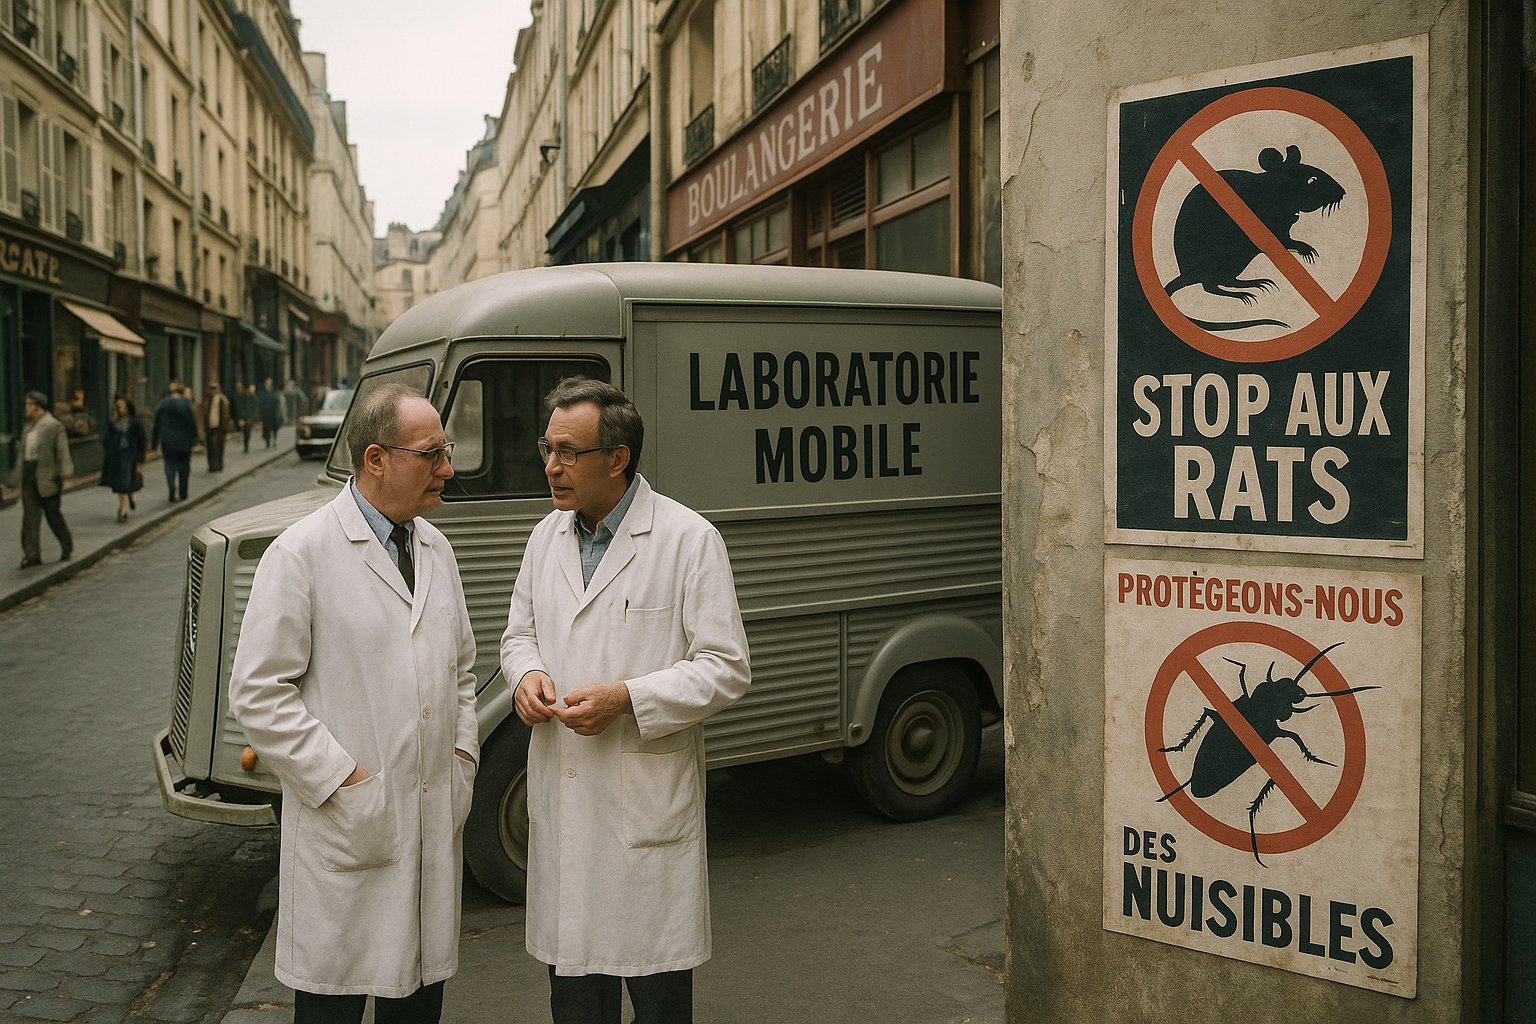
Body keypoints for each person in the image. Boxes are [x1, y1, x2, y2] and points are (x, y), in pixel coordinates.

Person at [500, 378, 751, 1024]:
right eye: (546, 448)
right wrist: (525, 676)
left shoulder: (688, 540)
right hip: (567, 811)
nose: (550, 466)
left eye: (567, 451)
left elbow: (727, 669)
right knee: (577, 1006)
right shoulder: (543, 539)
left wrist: (628, 697)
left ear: (617, 459)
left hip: (644, 816)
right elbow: (518, 634)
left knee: (660, 1004)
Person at [229, 383, 477, 1024]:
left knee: (419, 1004)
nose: (447, 469)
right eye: (432, 455)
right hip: (348, 826)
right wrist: (345, 780)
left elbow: (463, 671)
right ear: (376, 459)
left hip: (426, 825)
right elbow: (258, 693)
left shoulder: (435, 549)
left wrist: (460, 759)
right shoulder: (301, 554)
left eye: (445, 452)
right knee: (332, 1005)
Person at [17, 390, 74, 567]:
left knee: (53, 516)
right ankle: (32, 555)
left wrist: (66, 474)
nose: (26, 408)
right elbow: (23, 453)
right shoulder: (28, 427)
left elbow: (62, 451)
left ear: (37, 406)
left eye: (29, 404)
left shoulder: (52, 425)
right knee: (30, 517)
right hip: (29, 475)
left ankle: (66, 544)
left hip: (48, 476)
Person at [99, 396, 147, 523]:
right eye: (118, 406)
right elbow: (106, 440)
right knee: (119, 484)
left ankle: (124, 510)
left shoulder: (135, 423)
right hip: (115, 458)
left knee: (123, 483)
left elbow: (142, 441)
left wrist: (141, 460)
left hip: (130, 457)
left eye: (122, 406)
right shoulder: (113, 424)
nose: (120, 409)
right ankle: (125, 502)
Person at [152, 382, 199, 502]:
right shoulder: (185, 404)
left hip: (168, 440)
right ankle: (183, 492)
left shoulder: (163, 404)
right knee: (184, 467)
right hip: (184, 441)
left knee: (169, 465)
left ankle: (172, 488)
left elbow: (156, 424)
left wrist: (154, 443)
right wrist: (194, 439)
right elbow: (191, 422)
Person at [200, 382, 233, 472]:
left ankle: (219, 464)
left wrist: (226, 425)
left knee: (219, 446)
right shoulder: (208, 400)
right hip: (210, 426)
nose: (213, 391)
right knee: (210, 446)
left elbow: (226, 413)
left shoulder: (222, 400)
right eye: (212, 389)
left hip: (220, 426)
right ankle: (212, 466)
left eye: (215, 389)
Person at [258, 377, 281, 448]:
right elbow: (261, 404)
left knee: (274, 428)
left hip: (273, 414)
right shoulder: (263, 393)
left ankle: (274, 440)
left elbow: (277, 404)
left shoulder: (274, 393)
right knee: (266, 429)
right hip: (266, 415)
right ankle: (267, 442)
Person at [235, 382, 256, 453]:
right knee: (246, 432)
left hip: (246, 417)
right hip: (244, 417)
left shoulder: (246, 396)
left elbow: (250, 407)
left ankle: (246, 446)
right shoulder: (241, 396)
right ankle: (246, 446)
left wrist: (249, 417)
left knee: (247, 432)